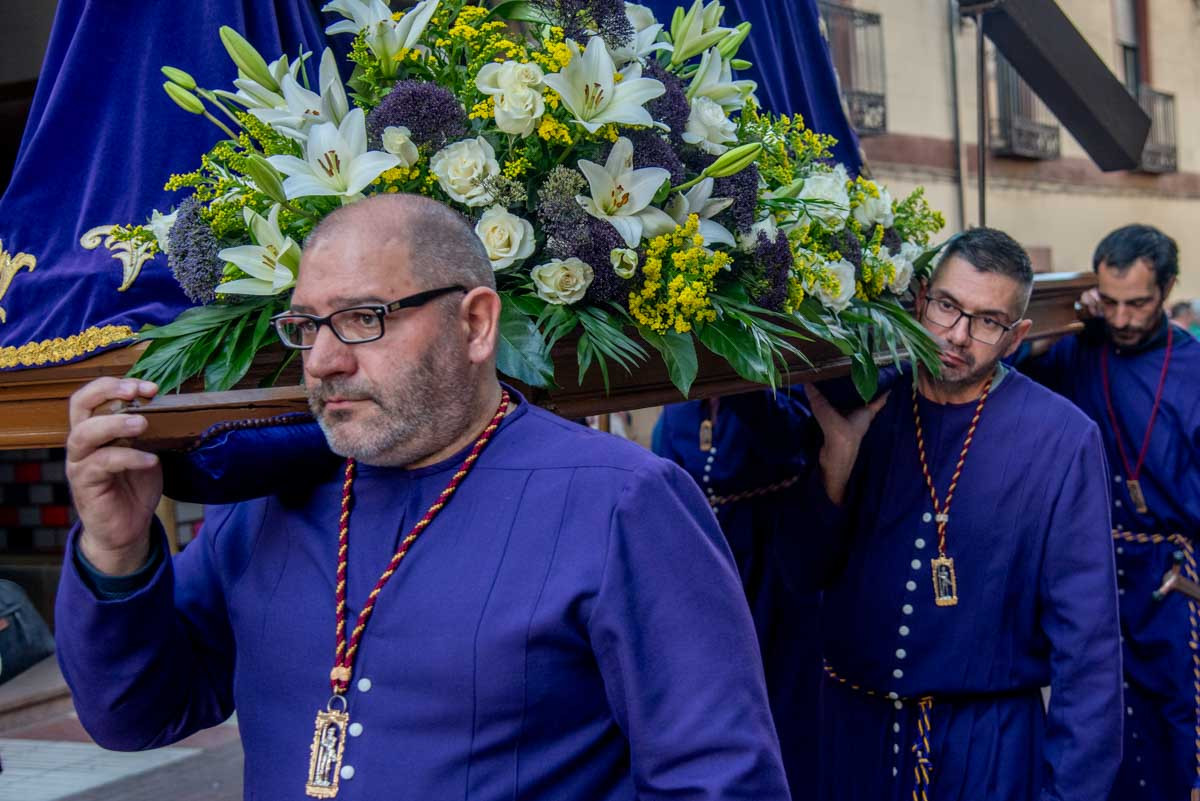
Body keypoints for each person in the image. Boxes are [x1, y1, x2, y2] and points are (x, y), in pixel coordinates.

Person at [56, 194, 792, 801]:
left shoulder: (622, 502)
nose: (323, 360)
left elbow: (717, 780)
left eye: (364, 318)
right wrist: (116, 550)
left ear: (475, 324)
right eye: (306, 325)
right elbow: (134, 716)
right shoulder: (261, 508)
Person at [786, 227, 1122, 801]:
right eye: (947, 306)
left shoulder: (1063, 438)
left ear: (1016, 337)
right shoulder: (863, 408)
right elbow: (799, 575)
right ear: (921, 299)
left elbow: (1088, 651)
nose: (959, 335)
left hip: (987, 751)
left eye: (988, 321)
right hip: (853, 740)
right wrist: (833, 470)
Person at [1019, 224, 1200, 800]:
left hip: (1175, 579)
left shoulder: (1195, 368)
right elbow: (1008, 376)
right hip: (1093, 571)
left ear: (1167, 289)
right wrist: (1064, 323)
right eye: (1112, 302)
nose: (1122, 318)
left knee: (1179, 725)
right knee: (1099, 719)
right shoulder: (1077, 350)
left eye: (1138, 303)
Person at [652, 390, 820, 797]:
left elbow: (789, 442)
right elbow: (662, 481)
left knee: (783, 699)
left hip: (773, 570)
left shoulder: (773, 393)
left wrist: (740, 382)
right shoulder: (677, 407)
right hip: (709, 574)